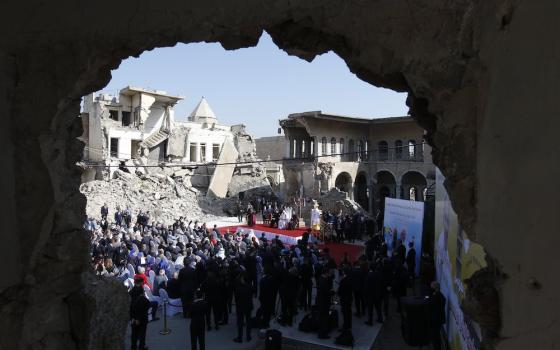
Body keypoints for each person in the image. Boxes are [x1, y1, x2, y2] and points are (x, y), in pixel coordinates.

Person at [130, 277, 151, 350]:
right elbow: (148, 305)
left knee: (134, 334)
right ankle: (141, 347)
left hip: (133, 317)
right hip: (142, 318)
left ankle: (133, 347)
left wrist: (132, 317)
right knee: (142, 333)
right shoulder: (142, 297)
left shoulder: (131, 292)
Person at [233, 272, 253, 343]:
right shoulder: (250, 286)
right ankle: (248, 336)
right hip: (248, 305)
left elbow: (236, 298)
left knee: (240, 322)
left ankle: (240, 337)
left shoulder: (238, 288)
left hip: (240, 306)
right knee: (248, 321)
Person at [429, 282, 446, 350]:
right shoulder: (438, 295)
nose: (431, 289)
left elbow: (434, 309)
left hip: (436, 320)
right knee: (436, 336)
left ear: (436, 288)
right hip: (437, 319)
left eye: (432, 287)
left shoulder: (437, 297)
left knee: (435, 337)